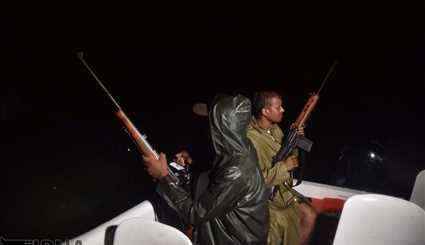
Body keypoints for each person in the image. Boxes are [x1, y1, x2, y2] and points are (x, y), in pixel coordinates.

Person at [143, 94, 269, 245]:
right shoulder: (242, 148)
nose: (206, 125)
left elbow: (194, 214)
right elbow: (220, 175)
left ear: (222, 128)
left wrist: (163, 177)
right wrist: (192, 161)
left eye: (210, 121)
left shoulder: (237, 170)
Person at [246, 90, 317, 245]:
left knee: (310, 214)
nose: (283, 110)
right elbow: (254, 179)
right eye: (278, 107)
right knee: (286, 223)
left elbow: (287, 155)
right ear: (265, 111)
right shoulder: (251, 138)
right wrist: (284, 168)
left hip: (282, 189)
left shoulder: (274, 129)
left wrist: (295, 138)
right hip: (265, 197)